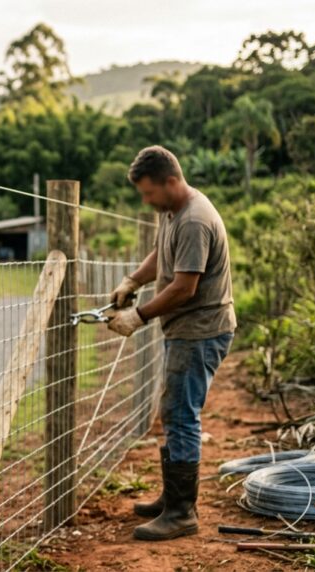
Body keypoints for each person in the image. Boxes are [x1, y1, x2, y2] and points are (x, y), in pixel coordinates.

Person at [106, 145, 236, 541]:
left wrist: (138, 316)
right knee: (174, 409)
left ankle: (182, 512)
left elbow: (184, 287)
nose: (145, 201)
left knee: (180, 414)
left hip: (200, 331)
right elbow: (162, 254)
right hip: (186, 330)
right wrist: (133, 280)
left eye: (149, 193)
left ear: (171, 181)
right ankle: (173, 498)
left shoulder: (194, 220)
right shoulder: (173, 212)